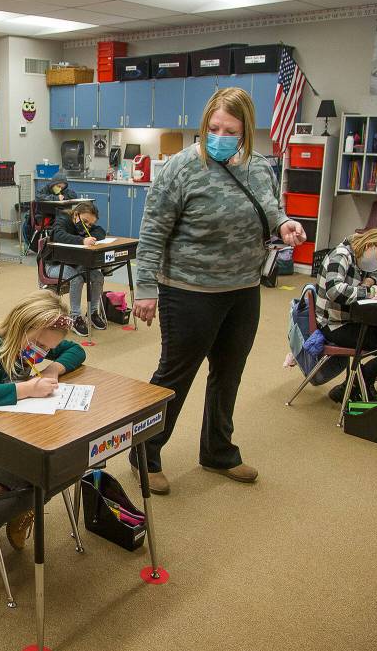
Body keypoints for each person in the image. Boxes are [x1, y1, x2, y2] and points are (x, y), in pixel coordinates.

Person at [130, 87, 307, 492]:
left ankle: (218, 451)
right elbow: (153, 231)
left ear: (245, 131)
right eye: (213, 127)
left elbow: (270, 207)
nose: (220, 135)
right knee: (175, 376)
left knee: (228, 374)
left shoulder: (260, 167)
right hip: (188, 290)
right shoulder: (180, 168)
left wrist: (285, 224)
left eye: (230, 129)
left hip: (243, 288)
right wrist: (144, 288)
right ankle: (145, 454)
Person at [0, 290, 85, 568]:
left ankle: (18, 511)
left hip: (8, 433)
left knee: (68, 465)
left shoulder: (35, 342)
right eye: (36, 344)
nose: (39, 353)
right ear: (21, 325)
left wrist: (53, 368)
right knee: (38, 476)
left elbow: (76, 350)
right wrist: (27, 388)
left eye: (45, 349)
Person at [315, 227, 377, 402]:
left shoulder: (362, 255)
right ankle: (356, 385)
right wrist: (374, 292)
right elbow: (334, 291)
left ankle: (354, 385)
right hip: (335, 324)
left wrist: (370, 280)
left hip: (356, 319)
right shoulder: (341, 255)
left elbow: (376, 272)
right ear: (370, 246)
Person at [43, 201, 107, 336]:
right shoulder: (62, 220)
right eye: (85, 221)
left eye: (90, 224)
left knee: (97, 277)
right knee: (76, 279)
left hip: (74, 263)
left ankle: (93, 313)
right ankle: (75, 317)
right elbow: (59, 236)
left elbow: (100, 231)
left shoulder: (86, 226)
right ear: (76, 215)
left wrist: (90, 234)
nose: (87, 226)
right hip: (53, 266)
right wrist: (82, 240)